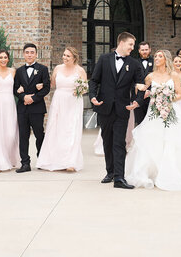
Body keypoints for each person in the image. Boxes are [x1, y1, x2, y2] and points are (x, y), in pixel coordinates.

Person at [125, 49, 181, 191]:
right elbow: (143, 92)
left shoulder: (173, 75)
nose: (156, 58)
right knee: (153, 140)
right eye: (155, 56)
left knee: (171, 140)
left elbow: (179, 94)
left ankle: (172, 171)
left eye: (159, 56)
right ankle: (152, 172)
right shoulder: (150, 76)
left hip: (170, 111)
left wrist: (167, 98)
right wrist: (141, 92)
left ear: (165, 59)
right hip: (154, 112)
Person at [89, 32, 144, 189]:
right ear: (121, 42)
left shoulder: (134, 64)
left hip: (123, 108)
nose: (132, 48)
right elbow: (94, 80)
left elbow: (140, 84)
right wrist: (93, 96)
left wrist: (137, 101)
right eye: (131, 45)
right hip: (104, 107)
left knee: (119, 142)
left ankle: (119, 178)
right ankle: (110, 172)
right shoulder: (104, 59)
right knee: (107, 141)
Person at [37, 47, 87, 171]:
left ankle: (70, 162)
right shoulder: (58, 68)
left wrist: (80, 90)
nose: (64, 57)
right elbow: (52, 84)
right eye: (64, 55)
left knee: (71, 130)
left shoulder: (80, 70)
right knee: (56, 129)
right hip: (59, 101)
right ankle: (53, 159)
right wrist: (41, 85)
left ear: (74, 58)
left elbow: (85, 88)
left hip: (73, 102)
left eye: (68, 56)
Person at [13, 43, 50, 173]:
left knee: (39, 134)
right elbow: (15, 89)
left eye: (32, 52)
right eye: (27, 52)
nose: (29, 55)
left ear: (36, 54)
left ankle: (42, 159)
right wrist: (23, 97)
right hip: (22, 108)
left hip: (37, 109)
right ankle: (25, 163)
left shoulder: (43, 69)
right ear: (23, 54)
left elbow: (46, 88)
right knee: (23, 136)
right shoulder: (18, 71)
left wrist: (33, 98)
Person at [134, 41, 154, 126]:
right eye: (142, 50)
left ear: (150, 50)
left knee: (151, 122)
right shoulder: (134, 63)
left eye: (146, 49)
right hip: (138, 96)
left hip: (152, 96)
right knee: (140, 122)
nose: (144, 51)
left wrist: (149, 91)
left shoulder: (155, 62)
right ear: (139, 51)